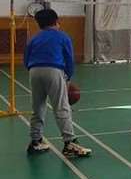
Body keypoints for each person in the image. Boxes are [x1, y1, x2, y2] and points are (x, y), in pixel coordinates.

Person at [24, 8, 92, 157]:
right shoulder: (62, 36)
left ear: (39, 24)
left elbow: (26, 59)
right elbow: (69, 59)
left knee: (37, 107)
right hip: (53, 71)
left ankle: (35, 141)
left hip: (34, 71)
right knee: (62, 107)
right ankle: (69, 143)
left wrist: (34, 69)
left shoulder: (34, 38)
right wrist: (68, 77)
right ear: (56, 21)